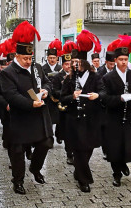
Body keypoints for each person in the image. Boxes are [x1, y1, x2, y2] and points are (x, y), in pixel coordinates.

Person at [0, 22, 52, 194]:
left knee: (46, 143)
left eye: (30, 58)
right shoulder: (8, 73)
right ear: (17, 56)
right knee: (17, 151)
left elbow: (46, 82)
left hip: (39, 115)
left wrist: (45, 91)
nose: (29, 62)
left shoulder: (36, 68)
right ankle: (18, 180)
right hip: (20, 118)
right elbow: (11, 95)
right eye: (25, 59)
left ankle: (35, 169)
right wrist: (30, 103)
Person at [60, 30, 103, 193]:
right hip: (74, 119)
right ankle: (84, 180)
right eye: (74, 61)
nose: (75, 64)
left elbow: (103, 92)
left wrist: (97, 95)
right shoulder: (69, 78)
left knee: (88, 148)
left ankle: (79, 172)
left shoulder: (95, 76)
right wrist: (72, 96)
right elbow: (62, 97)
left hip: (91, 119)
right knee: (78, 149)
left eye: (78, 61)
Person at [102, 37, 131, 187]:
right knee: (115, 147)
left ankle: (123, 163)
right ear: (115, 60)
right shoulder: (108, 78)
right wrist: (119, 98)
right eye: (120, 59)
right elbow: (104, 98)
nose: (124, 62)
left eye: (126, 59)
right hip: (114, 118)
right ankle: (116, 173)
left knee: (129, 147)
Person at [52, 44, 74, 164]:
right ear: (63, 65)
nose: (68, 66)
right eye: (66, 64)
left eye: (70, 64)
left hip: (75, 107)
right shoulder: (57, 76)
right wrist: (63, 93)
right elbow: (54, 91)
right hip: (63, 107)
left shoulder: (76, 76)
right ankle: (69, 153)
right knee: (66, 131)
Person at [42, 39, 63, 143]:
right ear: (47, 58)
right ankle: (49, 137)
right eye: (50, 58)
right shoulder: (43, 68)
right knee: (48, 118)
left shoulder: (60, 68)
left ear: (57, 58)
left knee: (59, 118)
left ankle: (59, 136)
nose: (52, 60)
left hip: (58, 96)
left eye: (54, 58)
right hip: (48, 97)